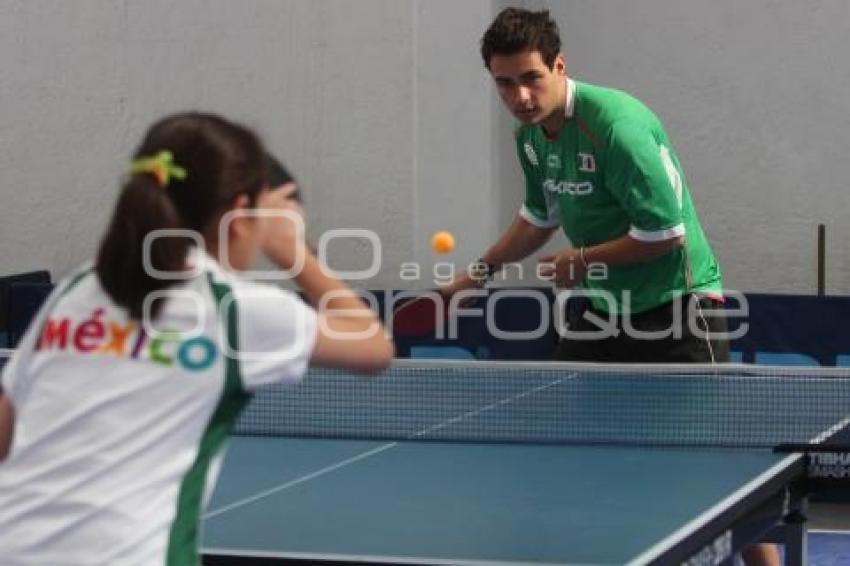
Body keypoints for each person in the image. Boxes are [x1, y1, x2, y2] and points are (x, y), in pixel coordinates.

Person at [440, 8, 775, 566]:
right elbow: (538, 218)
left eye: (530, 78)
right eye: (505, 83)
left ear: (559, 66)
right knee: (565, 443)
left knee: (714, 459)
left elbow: (664, 234)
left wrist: (581, 260)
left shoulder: (616, 125)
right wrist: (475, 275)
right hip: (601, 308)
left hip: (678, 303)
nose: (520, 96)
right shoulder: (531, 138)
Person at [0, 112, 393, 565]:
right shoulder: (231, 308)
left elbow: (8, 432)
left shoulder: (78, 290)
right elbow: (375, 346)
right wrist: (290, 249)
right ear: (241, 216)